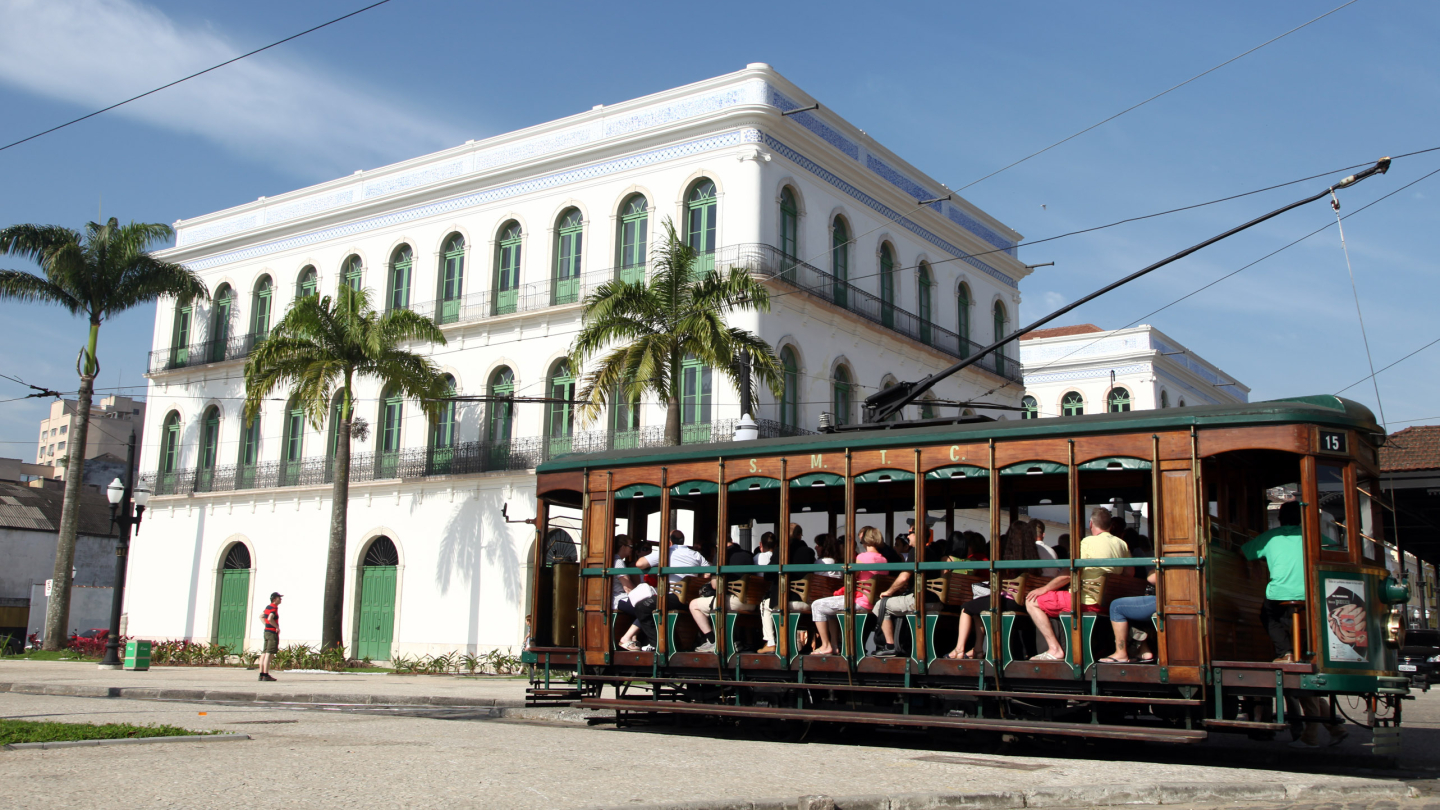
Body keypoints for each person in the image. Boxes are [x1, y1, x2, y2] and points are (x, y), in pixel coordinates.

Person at [1026, 507, 1130, 661]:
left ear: (1091, 524)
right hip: (1108, 603)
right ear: (1110, 526)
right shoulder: (1121, 544)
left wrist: (1045, 588)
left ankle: (1054, 649)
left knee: (1032, 600)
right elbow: (1130, 573)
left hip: (1087, 601)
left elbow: (1069, 574)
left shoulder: (1088, 542)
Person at [948, 522, 1038, 659]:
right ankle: (977, 649)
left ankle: (959, 649)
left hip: (1010, 599)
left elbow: (1000, 581)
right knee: (977, 606)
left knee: (966, 607)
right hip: (1027, 600)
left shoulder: (1010, 556)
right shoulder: (1033, 555)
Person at [811, 527, 887, 655]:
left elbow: (852, 578)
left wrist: (841, 588)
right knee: (828, 609)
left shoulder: (862, 557)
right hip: (873, 602)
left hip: (860, 601)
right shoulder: (883, 559)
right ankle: (834, 645)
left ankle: (826, 645)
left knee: (817, 605)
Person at [689, 536, 757, 653]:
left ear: (717, 545)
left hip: (734, 601)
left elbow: (715, 585)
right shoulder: (747, 554)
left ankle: (712, 641)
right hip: (752, 602)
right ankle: (736, 641)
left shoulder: (720, 555)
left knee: (693, 605)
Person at [1100, 571, 1157, 663]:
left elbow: (1152, 578)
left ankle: (1121, 653)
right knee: (1131, 608)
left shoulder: (1172, 557)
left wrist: (1152, 568)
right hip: (1169, 599)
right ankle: (1144, 651)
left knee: (1117, 606)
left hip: (1165, 599)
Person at [258, 592, 282, 681]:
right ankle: (266, 674)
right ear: (275, 599)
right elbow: (270, 618)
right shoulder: (274, 607)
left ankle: (261, 674)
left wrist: (266, 625)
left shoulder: (267, 607)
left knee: (264, 653)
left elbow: (261, 616)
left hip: (266, 631)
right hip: (271, 632)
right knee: (269, 653)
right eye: (279, 598)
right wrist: (276, 627)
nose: (281, 600)